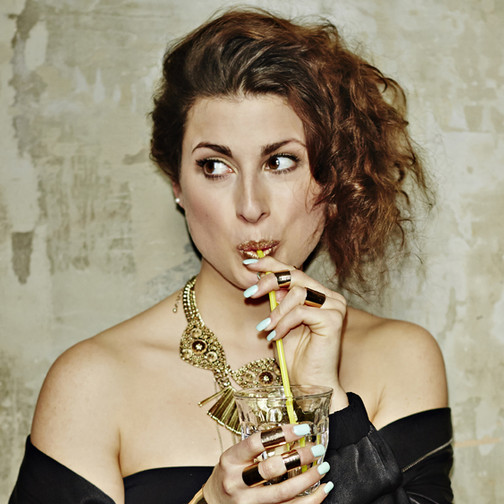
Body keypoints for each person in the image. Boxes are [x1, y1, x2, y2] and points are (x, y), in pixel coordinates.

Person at [9, 7, 453, 504]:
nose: (250, 206)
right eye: (215, 166)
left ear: (332, 181)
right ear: (177, 184)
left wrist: (327, 401)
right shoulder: (92, 384)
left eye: (280, 161)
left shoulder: (402, 359)